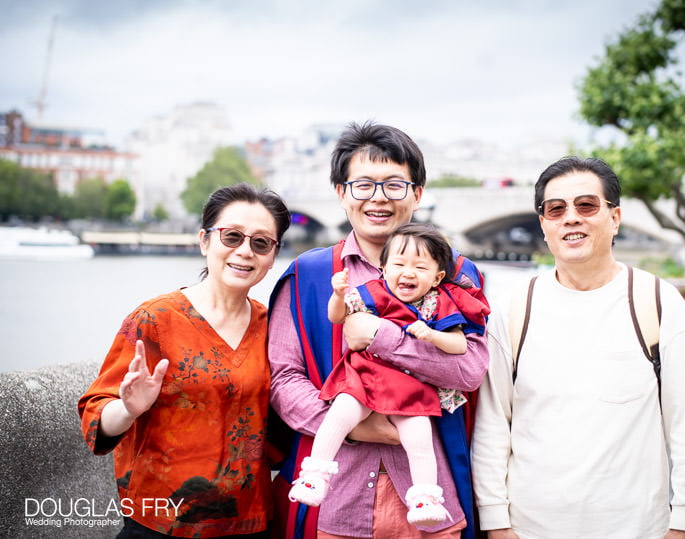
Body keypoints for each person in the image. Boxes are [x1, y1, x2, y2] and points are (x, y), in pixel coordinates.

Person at [267, 121, 489, 538]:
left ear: (418, 194)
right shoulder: (310, 275)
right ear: (341, 192)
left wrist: (382, 337)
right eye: (363, 185)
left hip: (430, 497)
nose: (378, 198)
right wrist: (351, 425)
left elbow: (470, 370)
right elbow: (283, 379)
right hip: (333, 498)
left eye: (394, 185)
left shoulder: (457, 274)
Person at [471, 156, 685, 538]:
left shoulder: (657, 300)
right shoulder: (515, 306)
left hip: (637, 528)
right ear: (544, 225)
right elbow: (493, 422)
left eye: (587, 205)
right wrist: (496, 523)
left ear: (614, 218)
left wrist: (684, 522)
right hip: (530, 528)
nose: (571, 218)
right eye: (556, 209)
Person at [78, 183, 291, 538]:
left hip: (250, 524)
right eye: (232, 236)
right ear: (205, 241)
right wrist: (129, 410)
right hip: (160, 524)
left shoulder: (274, 327)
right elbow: (96, 416)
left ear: (272, 255)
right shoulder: (155, 320)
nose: (244, 252)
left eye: (260, 243)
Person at [288, 223, 489, 528]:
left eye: (420, 267)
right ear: (383, 267)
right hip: (366, 379)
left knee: (420, 439)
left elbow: (461, 346)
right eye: (398, 264)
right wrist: (339, 295)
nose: (408, 272)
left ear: (436, 277)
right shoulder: (371, 291)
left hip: (410, 389)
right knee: (339, 415)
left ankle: (425, 499)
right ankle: (315, 474)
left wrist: (432, 337)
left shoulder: (440, 303)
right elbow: (336, 316)